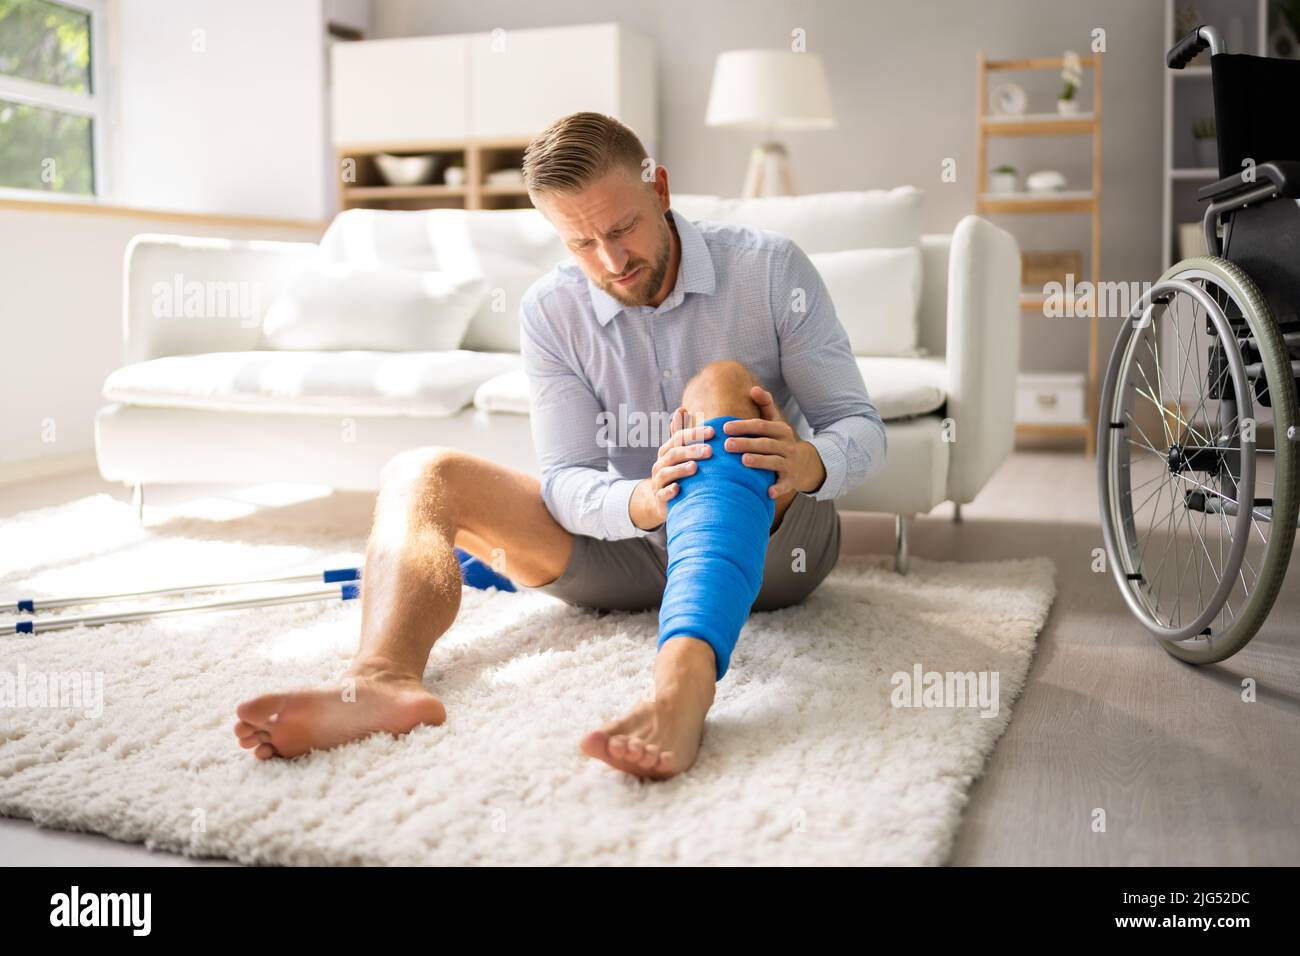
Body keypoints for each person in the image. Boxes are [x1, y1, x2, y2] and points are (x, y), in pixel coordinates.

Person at [234, 111, 885, 780]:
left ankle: (681, 687)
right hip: (633, 546)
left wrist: (806, 461)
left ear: (659, 190)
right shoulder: (551, 311)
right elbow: (567, 478)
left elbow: (860, 427)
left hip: (776, 541)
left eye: (622, 227)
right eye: (580, 243)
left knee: (718, 384)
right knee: (420, 472)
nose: (612, 261)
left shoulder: (771, 269)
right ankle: (381, 682)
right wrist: (643, 500)